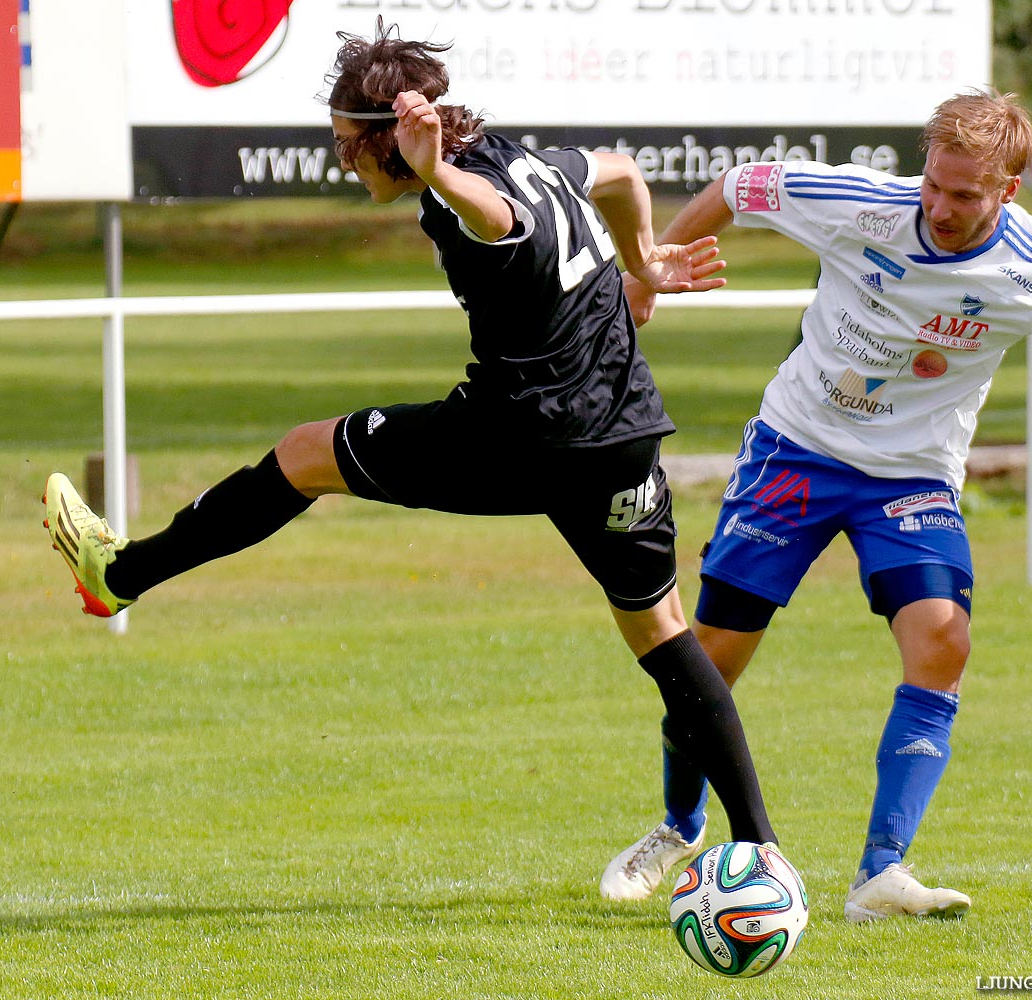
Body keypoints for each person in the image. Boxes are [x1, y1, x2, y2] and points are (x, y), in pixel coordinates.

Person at [43, 21, 787, 863]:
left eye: (343, 144)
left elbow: (496, 221)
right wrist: (642, 262)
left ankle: (118, 575)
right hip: (622, 435)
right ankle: (761, 851)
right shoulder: (523, 155)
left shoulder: (458, 188)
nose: (339, 160)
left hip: (516, 435)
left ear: (383, 139)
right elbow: (616, 174)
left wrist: (434, 172)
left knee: (302, 455)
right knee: (660, 632)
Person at [599, 89, 1032, 921]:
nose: (939, 208)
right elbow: (737, 185)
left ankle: (881, 873)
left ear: (1007, 192)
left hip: (912, 476)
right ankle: (678, 825)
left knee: (942, 643)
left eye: (965, 196)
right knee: (709, 662)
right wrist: (651, 268)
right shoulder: (856, 203)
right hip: (793, 451)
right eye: (933, 186)